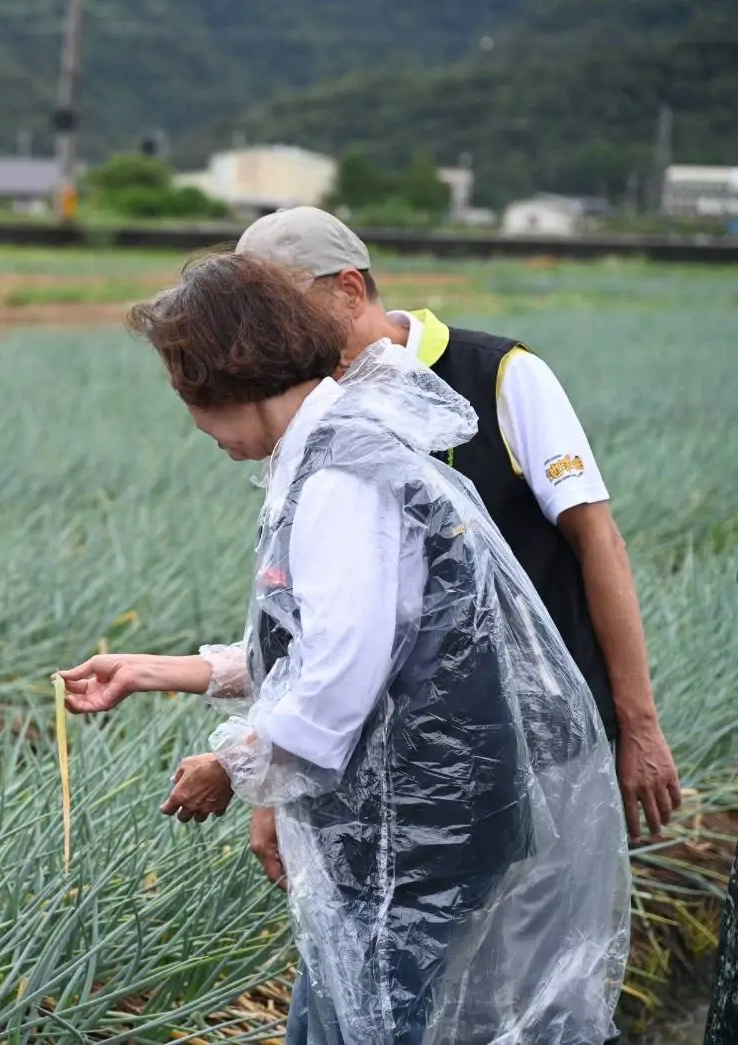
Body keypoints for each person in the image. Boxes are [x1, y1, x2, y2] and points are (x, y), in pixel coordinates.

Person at [60, 251, 631, 1044]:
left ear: (223, 377)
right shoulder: (345, 447)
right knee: (348, 1018)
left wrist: (231, 765)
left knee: (356, 1023)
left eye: (184, 390)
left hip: (412, 826)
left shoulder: (340, 478)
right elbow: (339, 638)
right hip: (427, 817)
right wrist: (157, 670)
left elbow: (338, 673)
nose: (191, 420)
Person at [232, 207, 679, 902]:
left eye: (287, 317)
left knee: (536, 974)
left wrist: (638, 727)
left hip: (541, 741)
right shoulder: (313, 414)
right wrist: (277, 787)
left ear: (349, 289)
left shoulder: (499, 373)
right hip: (403, 769)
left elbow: (598, 542)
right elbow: (305, 621)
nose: (278, 344)